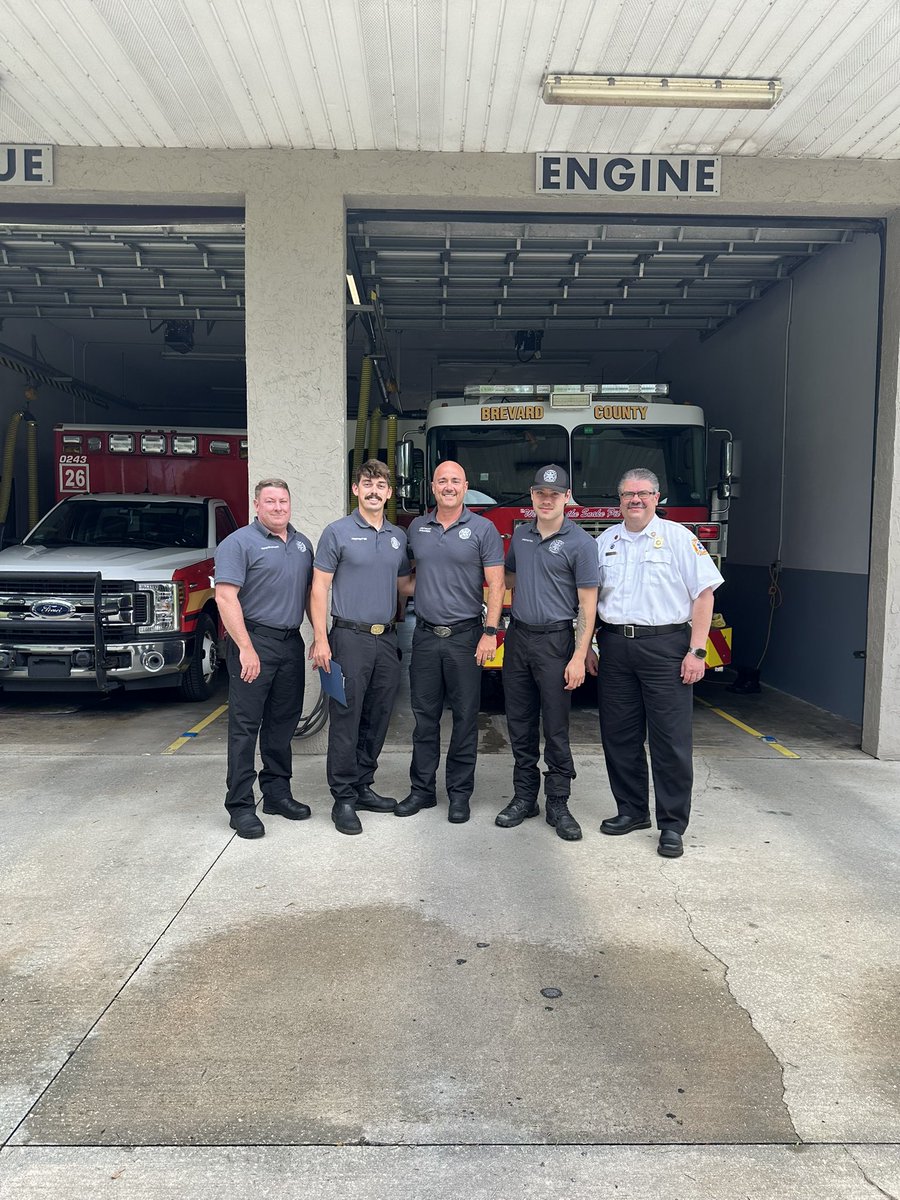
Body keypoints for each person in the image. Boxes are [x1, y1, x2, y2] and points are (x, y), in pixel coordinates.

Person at [588, 467, 724, 858]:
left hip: (666, 647)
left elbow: (704, 596)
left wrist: (697, 651)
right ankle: (631, 811)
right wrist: (589, 647)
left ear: (657, 498)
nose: (635, 500)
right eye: (628, 494)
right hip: (615, 647)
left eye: (643, 494)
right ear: (619, 500)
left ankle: (672, 825)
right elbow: (591, 600)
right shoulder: (605, 541)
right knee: (620, 736)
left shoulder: (679, 539)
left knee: (670, 740)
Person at [395, 460, 505, 823]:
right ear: (432, 487)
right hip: (425, 637)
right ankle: (422, 791)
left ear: (465, 486)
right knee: (424, 719)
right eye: (442, 481)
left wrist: (490, 633)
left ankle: (460, 795)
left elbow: (497, 585)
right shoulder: (416, 528)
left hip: (466, 637)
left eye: (455, 481)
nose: (448, 486)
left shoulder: (483, 529)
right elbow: (407, 578)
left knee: (464, 720)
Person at [494, 465, 598, 841]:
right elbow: (505, 579)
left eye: (555, 494)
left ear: (567, 497)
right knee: (519, 722)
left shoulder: (582, 544)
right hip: (519, 638)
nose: (547, 499)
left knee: (555, 726)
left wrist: (579, 655)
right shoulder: (521, 536)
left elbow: (588, 604)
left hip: (557, 642)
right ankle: (525, 797)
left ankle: (558, 801)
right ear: (532, 494)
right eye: (541, 493)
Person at [310, 459, 411, 835]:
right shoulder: (336, 532)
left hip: (386, 639)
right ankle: (343, 798)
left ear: (389, 492)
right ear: (356, 490)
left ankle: (364, 785)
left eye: (381, 484)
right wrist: (321, 638)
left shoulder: (398, 537)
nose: (374, 490)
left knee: (378, 716)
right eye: (367, 483)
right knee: (346, 718)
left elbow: (404, 586)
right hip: (348, 638)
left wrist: (457, 581)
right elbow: (319, 587)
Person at [215, 478, 313, 839]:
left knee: (282, 724)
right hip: (253, 642)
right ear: (256, 505)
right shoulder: (238, 543)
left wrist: (319, 636)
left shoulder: (303, 545)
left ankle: (276, 794)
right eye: (270, 501)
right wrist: (245, 648)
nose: (277, 507)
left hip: (290, 644)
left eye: (283, 501)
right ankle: (240, 805)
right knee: (245, 728)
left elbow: (308, 595)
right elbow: (226, 598)